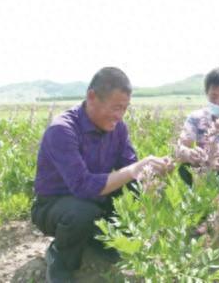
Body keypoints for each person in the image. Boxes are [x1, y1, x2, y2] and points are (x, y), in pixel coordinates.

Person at [31, 67, 173, 282]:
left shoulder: (118, 128)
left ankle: (99, 241)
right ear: (92, 97)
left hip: (96, 199)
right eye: (116, 107)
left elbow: (131, 168)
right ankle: (60, 257)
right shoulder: (62, 130)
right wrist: (133, 170)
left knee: (135, 188)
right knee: (82, 212)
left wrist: (156, 170)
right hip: (54, 206)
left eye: (124, 109)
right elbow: (82, 186)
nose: (119, 116)